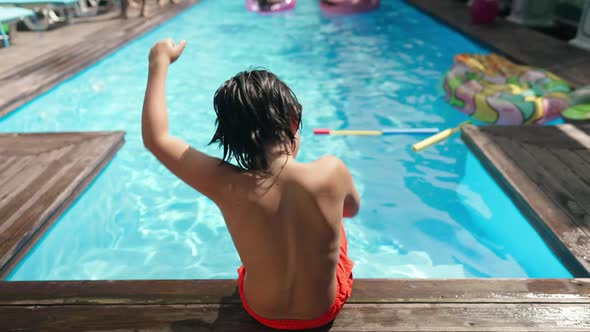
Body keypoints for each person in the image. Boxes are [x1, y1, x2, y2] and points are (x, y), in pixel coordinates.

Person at [142, 39, 360, 330]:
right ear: (294, 120)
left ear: (231, 137)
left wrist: (159, 62)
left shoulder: (225, 183)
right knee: (336, 223)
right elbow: (350, 210)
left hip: (260, 311)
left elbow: (157, 139)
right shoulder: (331, 171)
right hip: (321, 311)